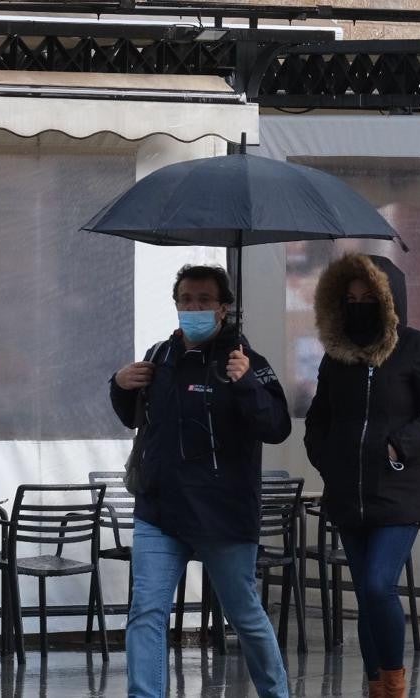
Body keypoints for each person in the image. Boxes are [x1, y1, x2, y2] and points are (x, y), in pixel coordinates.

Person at [111, 264, 293, 698]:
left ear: (224, 308)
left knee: (244, 614)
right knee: (146, 612)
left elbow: (277, 427)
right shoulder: (159, 357)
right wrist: (119, 386)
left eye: (205, 300)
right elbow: (135, 418)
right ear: (176, 304)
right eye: (186, 300)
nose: (193, 307)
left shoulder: (247, 362)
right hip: (160, 509)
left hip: (224, 515)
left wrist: (246, 382)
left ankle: (276, 693)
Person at [303, 253, 420, 698]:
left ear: (388, 300)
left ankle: (393, 685)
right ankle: (375, 687)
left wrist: (400, 445)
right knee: (367, 595)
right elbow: (318, 419)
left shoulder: (417, 348)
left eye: (367, 297)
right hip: (347, 497)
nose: (358, 305)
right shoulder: (337, 358)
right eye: (349, 298)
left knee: (377, 584)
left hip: (398, 493)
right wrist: (327, 460)